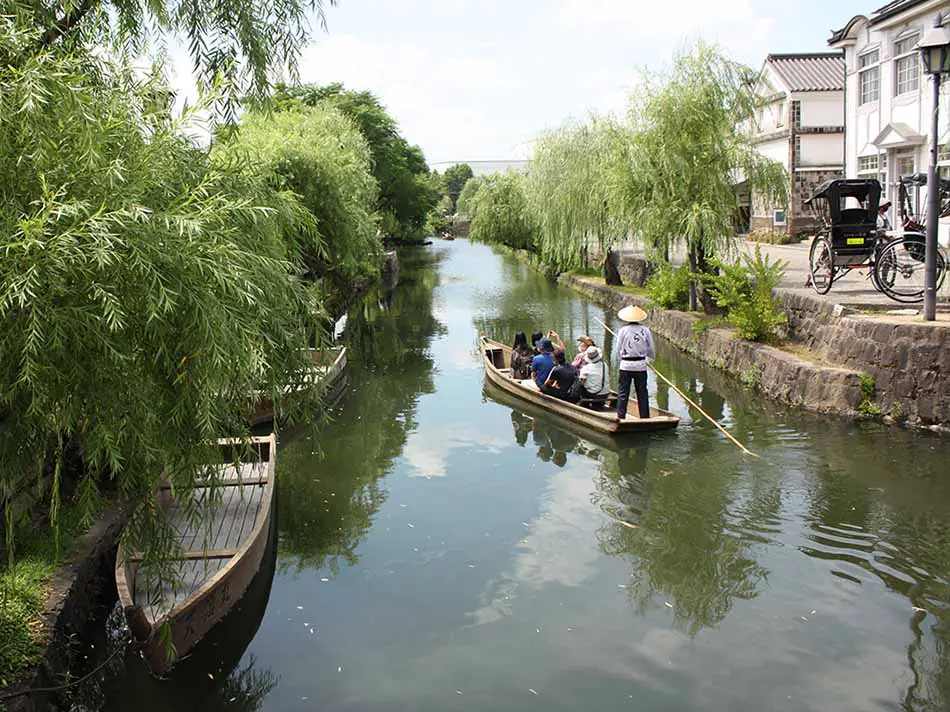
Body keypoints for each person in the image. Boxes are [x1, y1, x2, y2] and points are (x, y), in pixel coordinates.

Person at [615, 305, 655, 420]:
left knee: (623, 392)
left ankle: (621, 416)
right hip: (640, 366)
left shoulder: (622, 331)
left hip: (625, 365)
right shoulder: (645, 330)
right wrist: (650, 359)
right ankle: (645, 417)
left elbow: (618, 350)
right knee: (642, 392)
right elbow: (651, 348)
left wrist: (621, 358)